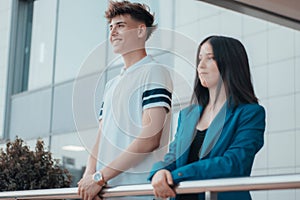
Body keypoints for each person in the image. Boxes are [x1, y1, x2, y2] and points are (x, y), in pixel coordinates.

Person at [149, 35, 266, 200]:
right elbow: (173, 156)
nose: (200, 66)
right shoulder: (187, 115)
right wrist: (159, 171)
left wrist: (178, 175)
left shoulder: (250, 113)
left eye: (210, 58)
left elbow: (234, 163)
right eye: (199, 59)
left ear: (230, 64)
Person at [77, 1, 173, 200]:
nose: (112, 33)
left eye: (120, 26)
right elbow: (101, 136)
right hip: (107, 192)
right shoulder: (112, 84)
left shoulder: (154, 72)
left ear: (140, 31)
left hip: (139, 193)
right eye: (111, 27)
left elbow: (150, 138)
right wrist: (89, 176)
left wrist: (99, 177)